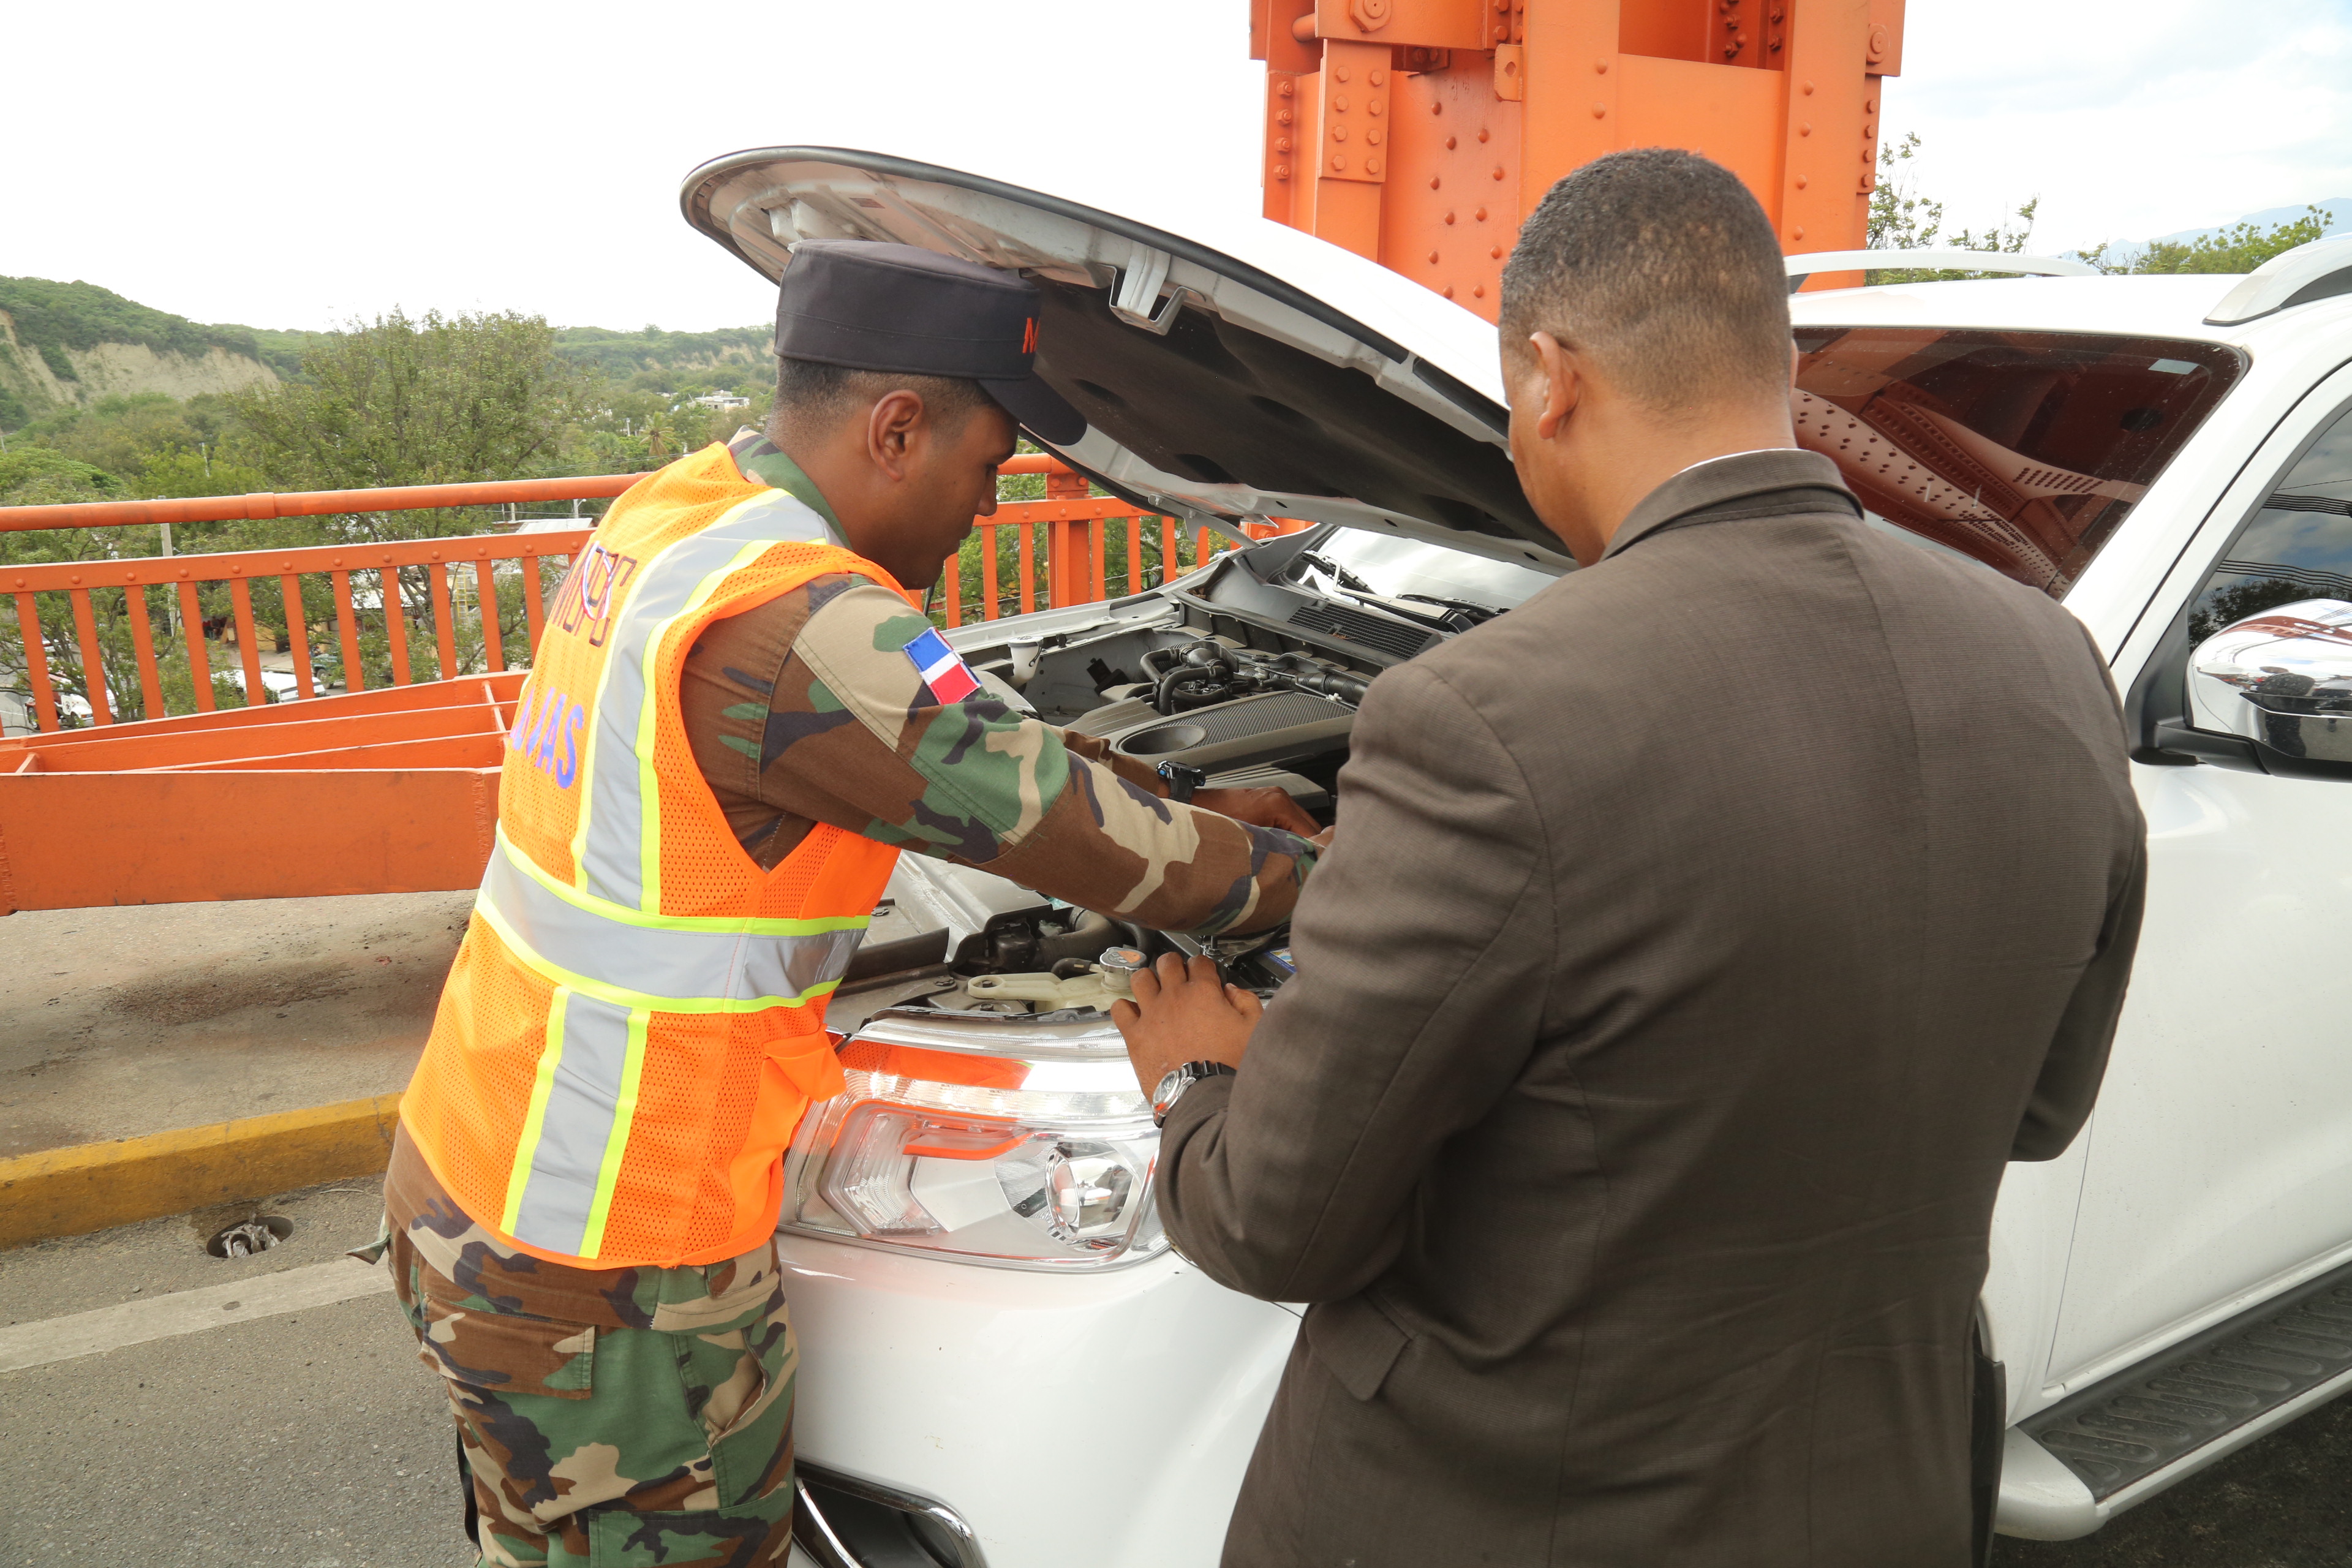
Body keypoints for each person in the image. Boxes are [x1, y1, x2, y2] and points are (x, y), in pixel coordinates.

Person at [1113, 149, 2146, 1568]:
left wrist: (1197, 1078)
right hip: (1890, 1496)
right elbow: (2038, 1106)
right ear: (1781, 367)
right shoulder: (2052, 662)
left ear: (1552, 377)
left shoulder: (1479, 718)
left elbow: (1275, 1222)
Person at [369, 239, 1323, 1567]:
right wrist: (1318, 886)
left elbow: (978, 740)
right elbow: (1056, 825)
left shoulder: (686, 518)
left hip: (482, 1165)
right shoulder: (797, 624)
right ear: (896, 429)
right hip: (617, 1253)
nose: (986, 505)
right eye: (989, 465)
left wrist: (1185, 791)